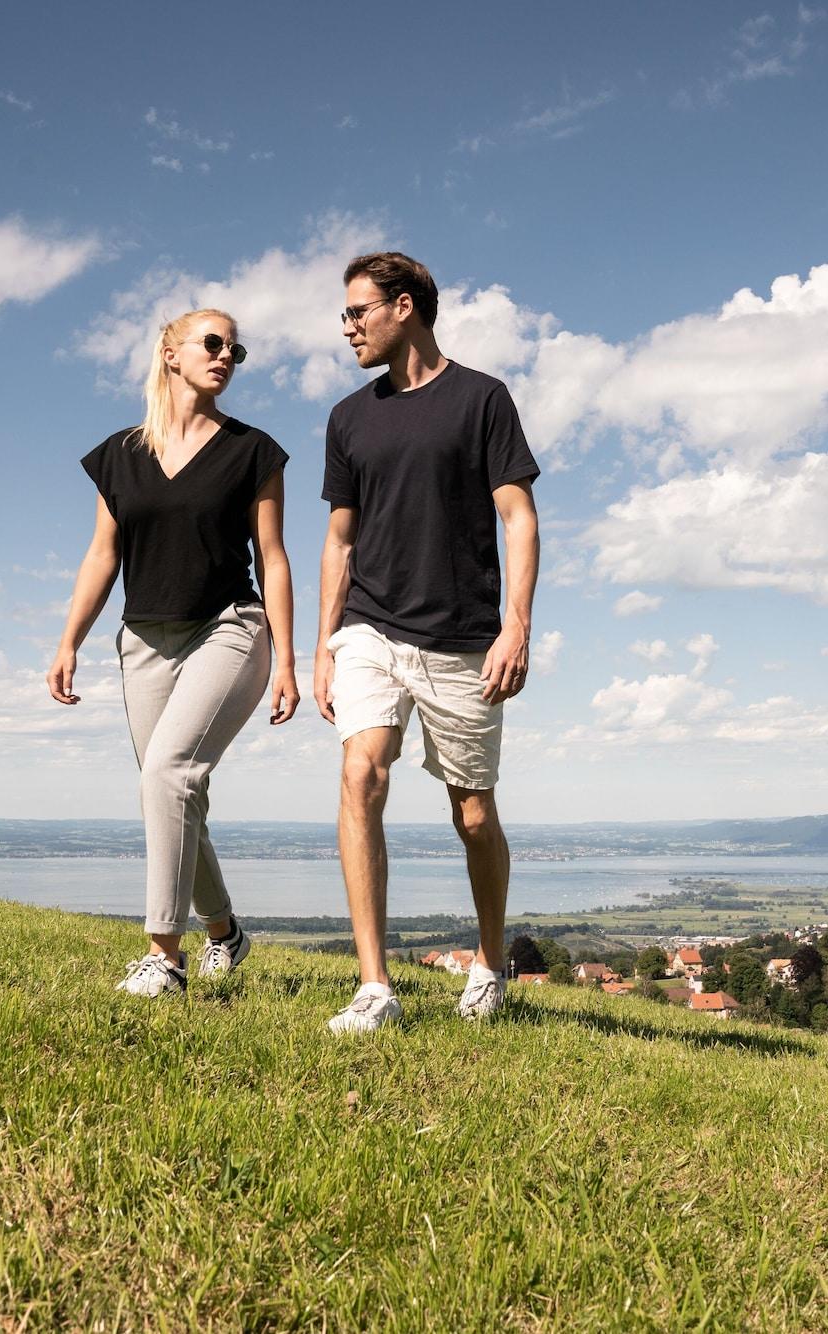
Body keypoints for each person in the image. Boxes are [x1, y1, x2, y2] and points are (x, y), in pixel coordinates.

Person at [314, 252, 541, 1033]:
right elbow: (339, 539)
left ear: (402, 307)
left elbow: (518, 516)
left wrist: (516, 623)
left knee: (473, 814)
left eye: (357, 311)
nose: (347, 327)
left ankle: (488, 961)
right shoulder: (349, 417)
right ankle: (375, 987)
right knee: (360, 773)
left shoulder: (482, 399)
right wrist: (323, 644)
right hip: (369, 629)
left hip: (463, 639)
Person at [50, 308, 298, 997]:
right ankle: (227, 933)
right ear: (170, 354)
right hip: (143, 641)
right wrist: (69, 639)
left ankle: (165, 957)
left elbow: (272, 559)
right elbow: (103, 555)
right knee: (174, 791)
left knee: (166, 776)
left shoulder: (254, 451)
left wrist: (287, 660)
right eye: (213, 343)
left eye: (236, 350)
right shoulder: (120, 454)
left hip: (230, 626)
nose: (226, 356)